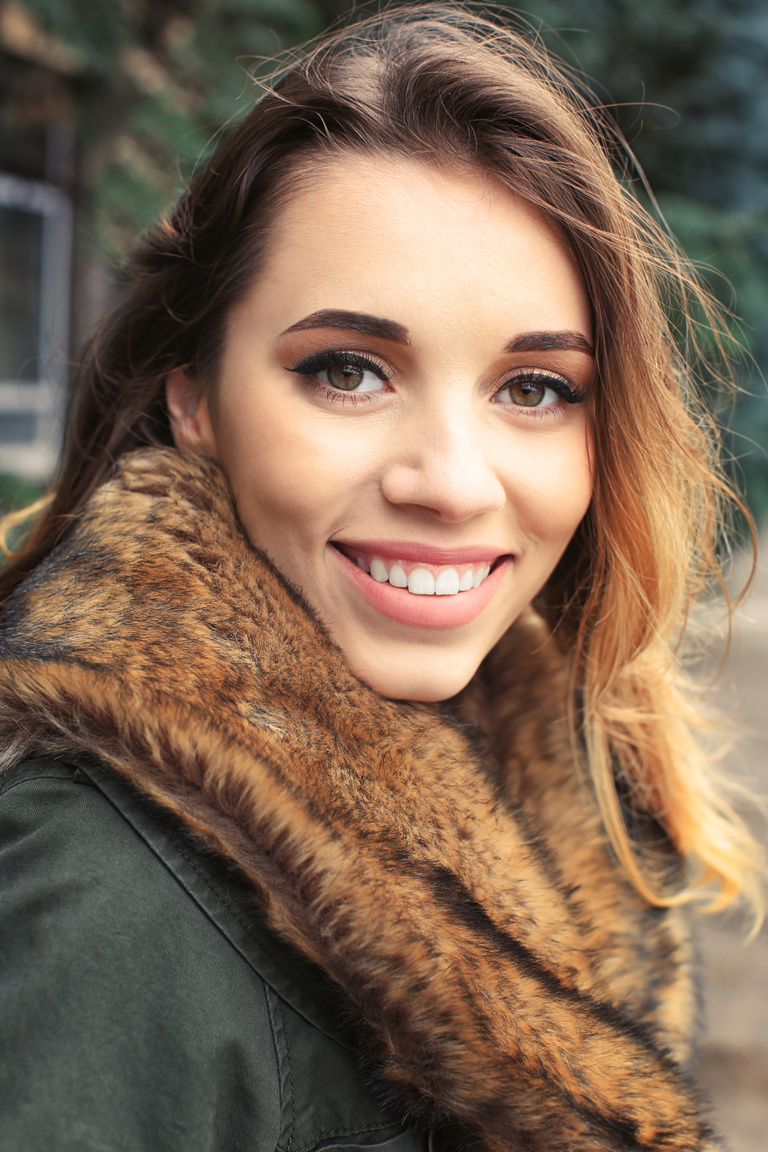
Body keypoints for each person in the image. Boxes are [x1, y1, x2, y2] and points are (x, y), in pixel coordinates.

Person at [0, 5, 763, 1150]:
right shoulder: (104, 910)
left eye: (536, 387)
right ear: (196, 399)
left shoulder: (574, 798)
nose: (452, 484)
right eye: (347, 371)